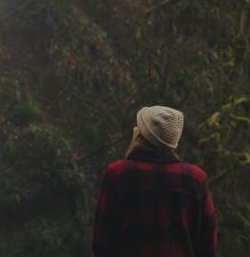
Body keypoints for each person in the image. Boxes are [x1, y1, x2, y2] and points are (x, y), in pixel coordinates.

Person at [92, 106, 218, 257]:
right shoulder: (195, 179)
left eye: (137, 126)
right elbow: (208, 244)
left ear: (139, 134)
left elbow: (101, 242)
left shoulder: (118, 174)